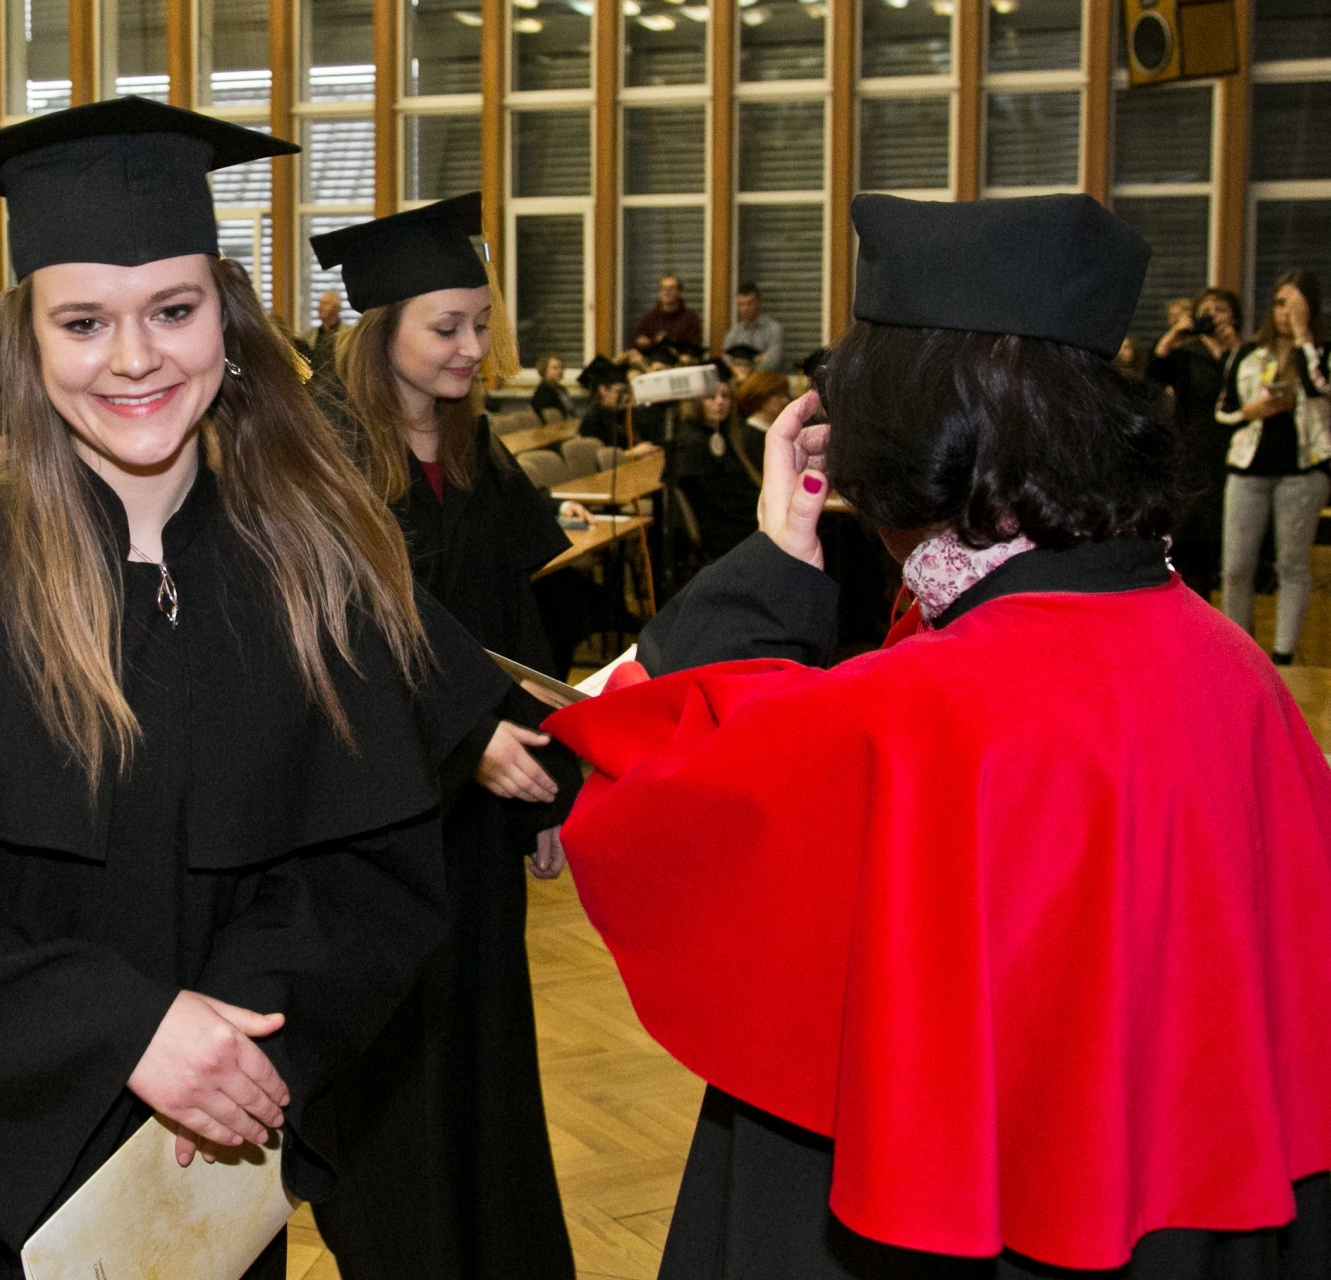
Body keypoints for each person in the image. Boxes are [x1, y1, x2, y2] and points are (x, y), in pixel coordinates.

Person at [0, 95, 508, 1280]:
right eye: (83, 321)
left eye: (173, 310)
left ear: (228, 321)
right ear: (26, 342)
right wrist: (126, 1027)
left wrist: (233, 1031)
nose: (134, 358)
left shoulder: (313, 575)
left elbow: (366, 873)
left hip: (187, 1160)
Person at [546, 193, 1331, 1279]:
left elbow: (667, 784)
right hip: (1186, 1209)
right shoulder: (1234, 667)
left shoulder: (923, 710)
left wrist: (772, 565)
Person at [308, 191, 580, 1280]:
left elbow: (515, 625)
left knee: (487, 1054)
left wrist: (554, 782)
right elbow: (338, 642)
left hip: (478, 819)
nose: (473, 347)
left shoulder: (474, 450)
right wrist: (462, 738)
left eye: (481, 323)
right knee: (399, 1074)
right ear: (381, 331)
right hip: (375, 818)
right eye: (447, 327)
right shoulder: (322, 455)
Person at [1217, 270, 1330, 666]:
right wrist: (1251, 412)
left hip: (1303, 470)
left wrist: (1303, 336)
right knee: (1235, 567)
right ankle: (1239, 654)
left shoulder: (1322, 352)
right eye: (1281, 304)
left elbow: (1319, 388)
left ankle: (1283, 657)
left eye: (1296, 305)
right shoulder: (1249, 354)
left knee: (1292, 565)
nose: (1285, 312)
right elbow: (1223, 411)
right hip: (1248, 466)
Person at [1148, 285, 1241, 600]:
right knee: (1191, 533)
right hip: (1193, 448)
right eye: (1206, 311)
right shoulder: (1187, 353)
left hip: (1232, 449)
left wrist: (1237, 351)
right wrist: (1173, 336)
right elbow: (1155, 377)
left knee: (1227, 534)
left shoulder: (1244, 354)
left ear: (1234, 316)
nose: (1213, 316)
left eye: (1221, 309)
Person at [676, 376, 760, 562]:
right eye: (711, 396)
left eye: (725, 396)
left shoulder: (722, 435)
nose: (720, 401)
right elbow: (717, 501)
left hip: (740, 521)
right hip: (724, 533)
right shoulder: (691, 442)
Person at [631, 273, 703, 364]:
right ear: (659, 293)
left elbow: (693, 347)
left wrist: (666, 340)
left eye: (672, 288)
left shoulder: (689, 318)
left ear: (680, 293)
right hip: (650, 360)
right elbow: (637, 342)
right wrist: (650, 341)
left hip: (677, 364)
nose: (667, 291)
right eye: (663, 288)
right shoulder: (650, 318)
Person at [722, 281, 784, 372]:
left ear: (758, 303)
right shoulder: (733, 332)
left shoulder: (774, 329)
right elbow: (726, 361)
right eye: (741, 304)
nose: (745, 309)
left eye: (749, 303)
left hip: (764, 379)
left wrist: (740, 364)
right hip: (740, 380)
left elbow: (773, 362)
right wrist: (758, 359)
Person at [575, 353, 629, 445]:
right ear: (603, 390)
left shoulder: (620, 414)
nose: (625, 397)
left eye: (626, 392)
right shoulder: (592, 420)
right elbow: (596, 453)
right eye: (619, 392)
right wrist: (633, 452)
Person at [306, 288, 346, 379]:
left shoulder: (348, 335)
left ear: (337, 308)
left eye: (326, 303)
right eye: (320, 303)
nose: (320, 307)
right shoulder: (307, 337)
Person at [529, 352, 571, 421]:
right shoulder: (543, 392)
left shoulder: (561, 389)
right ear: (544, 370)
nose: (560, 370)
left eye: (561, 367)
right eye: (555, 368)